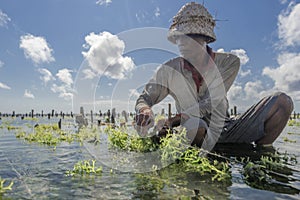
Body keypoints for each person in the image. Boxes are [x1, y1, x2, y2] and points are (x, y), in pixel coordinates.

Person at [134, 2, 294, 151]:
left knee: (282, 102)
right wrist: (145, 110)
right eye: (178, 38)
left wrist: (171, 121)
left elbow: (210, 103)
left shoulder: (229, 63)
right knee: (195, 125)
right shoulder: (169, 69)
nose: (182, 43)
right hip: (192, 129)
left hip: (227, 128)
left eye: (189, 36)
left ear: (204, 38)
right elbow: (144, 98)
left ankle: (261, 152)